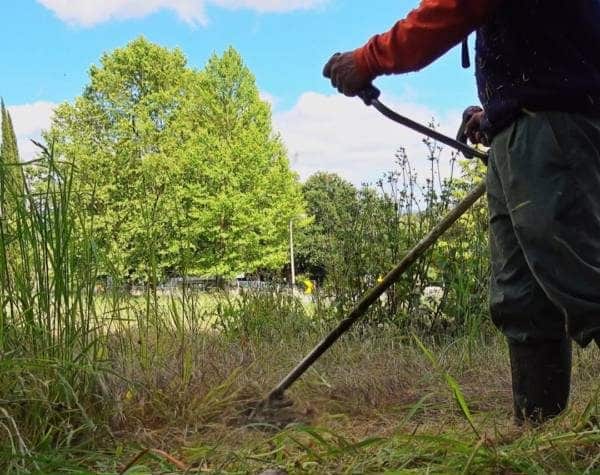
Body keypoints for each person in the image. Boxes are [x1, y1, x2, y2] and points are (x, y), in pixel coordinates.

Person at [323, 0, 600, 424]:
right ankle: (540, 436)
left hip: (554, 127)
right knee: (522, 299)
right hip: (525, 128)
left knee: (585, 282)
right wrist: (498, 114)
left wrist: (367, 59)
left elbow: (458, 6)